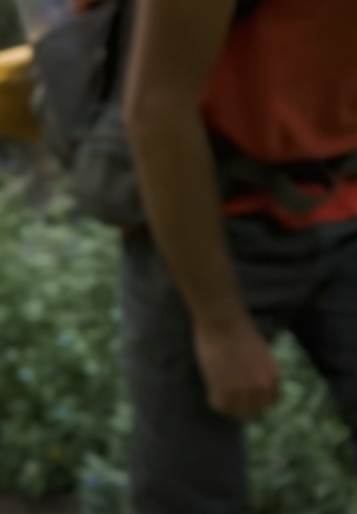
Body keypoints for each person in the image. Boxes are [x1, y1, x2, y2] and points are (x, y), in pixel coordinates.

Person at [119, 0, 357, 511]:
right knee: (189, 490)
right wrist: (219, 322)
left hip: (342, 198)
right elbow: (156, 109)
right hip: (203, 219)